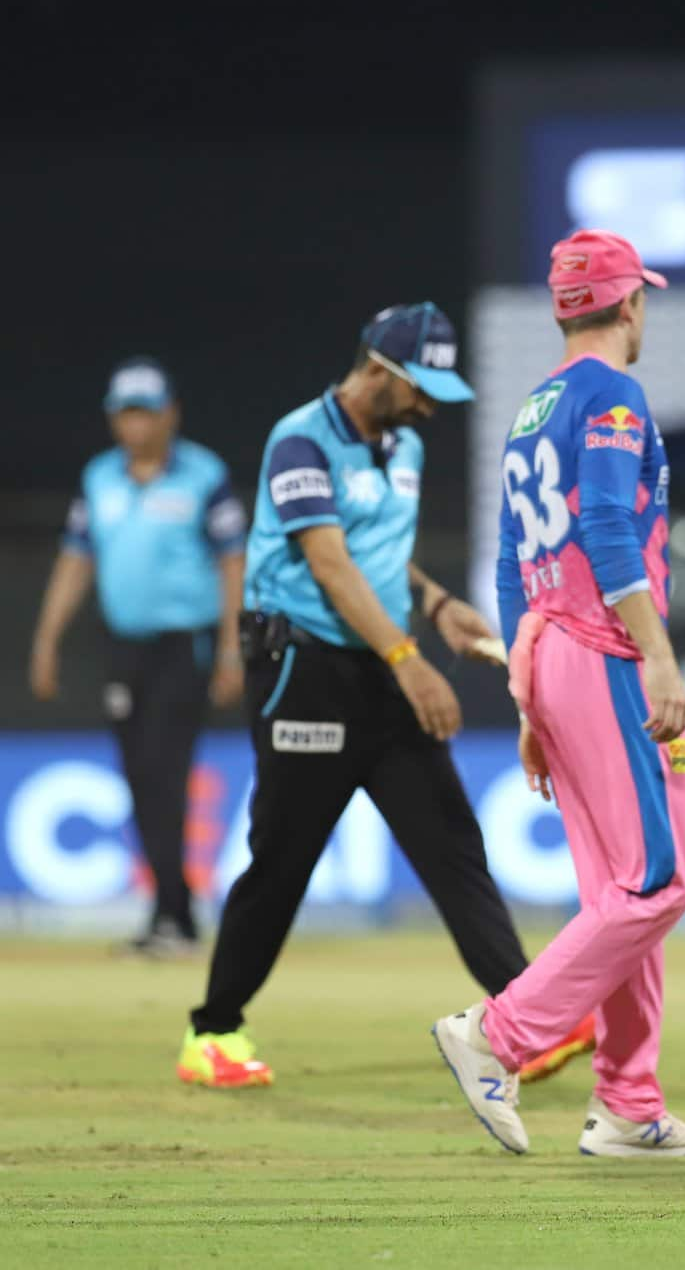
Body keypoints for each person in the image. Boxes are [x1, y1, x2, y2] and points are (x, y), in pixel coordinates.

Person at [177, 303, 531, 1089]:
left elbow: (378, 557)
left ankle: (526, 1016)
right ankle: (213, 1033)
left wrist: (435, 602)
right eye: (422, 386)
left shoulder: (400, 442)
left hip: (379, 665)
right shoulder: (299, 438)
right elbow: (330, 563)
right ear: (380, 369)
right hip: (305, 671)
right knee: (284, 859)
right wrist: (409, 658)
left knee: (451, 843)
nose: (432, 405)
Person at [431, 230, 685, 1159]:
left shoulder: (533, 408)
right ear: (629, 302)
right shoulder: (612, 396)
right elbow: (602, 524)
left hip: (555, 652)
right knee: (655, 883)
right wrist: (662, 659)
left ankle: (628, 1104)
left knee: (624, 887)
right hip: (606, 654)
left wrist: (527, 695)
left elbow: (515, 566)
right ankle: (499, 1036)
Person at [30, 358, 246, 955]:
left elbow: (233, 562)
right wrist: (47, 639)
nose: (137, 425)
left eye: (147, 412)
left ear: (170, 413)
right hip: (123, 649)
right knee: (139, 776)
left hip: (186, 643)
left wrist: (232, 647)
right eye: (126, 414)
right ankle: (168, 912)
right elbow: (77, 560)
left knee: (164, 772)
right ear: (112, 418)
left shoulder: (203, 475)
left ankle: (173, 914)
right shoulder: (100, 478)